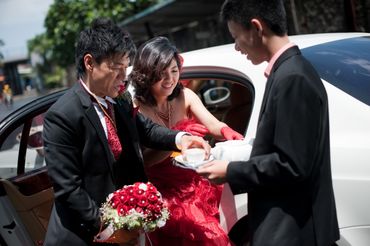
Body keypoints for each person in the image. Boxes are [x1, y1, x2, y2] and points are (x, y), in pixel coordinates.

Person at [42, 18, 210, 246]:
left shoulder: (119, 100)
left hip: (128, 228)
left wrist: (182, 139)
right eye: (116, 67)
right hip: (88, 234)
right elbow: (69, 189)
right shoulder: (62, 116)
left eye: (126, 67)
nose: (124, 76)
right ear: (90, 63)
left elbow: (146, 130)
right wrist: (109, 227)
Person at [197, 0, 340, 245]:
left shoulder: (292, 77)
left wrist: (229, 171)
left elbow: (291, 165)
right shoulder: (288, 71)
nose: (237, 47)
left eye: (236, 36)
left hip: (294, 228)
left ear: (256, 28)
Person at [129, 36, 243, 245]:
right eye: (161, 74)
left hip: (196, 180)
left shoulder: (186, 95)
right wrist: (177, 142)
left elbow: (213, 125)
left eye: (174, 71)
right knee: (209, 236)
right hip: (164, 191)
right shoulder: (137, 109)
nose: (170, 79)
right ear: (146, 75)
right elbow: (142, 162)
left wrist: (227, 131)